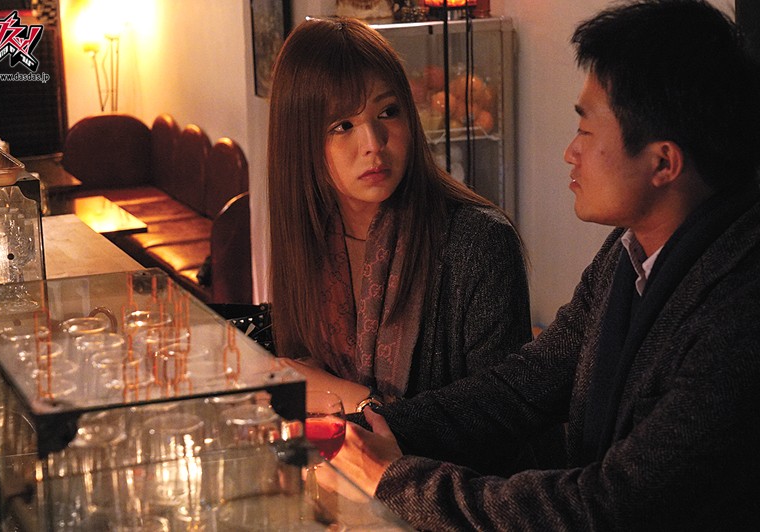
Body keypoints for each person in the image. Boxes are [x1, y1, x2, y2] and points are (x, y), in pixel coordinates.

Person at [330, 1, 760, 529]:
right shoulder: (630, 251)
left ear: (663, 162)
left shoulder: (737, 312)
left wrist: (393, 478)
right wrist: (369, 429)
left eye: (586, 131)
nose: (569, 152)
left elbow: (608, 506)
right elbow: (526, 384)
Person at [266, 17, 535, 426]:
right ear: (300, 140)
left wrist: (352, 399)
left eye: (388, 112)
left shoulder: (480, 243)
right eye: (343, 125)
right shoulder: (311, 235)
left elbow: (498, 427)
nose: (373, 144)